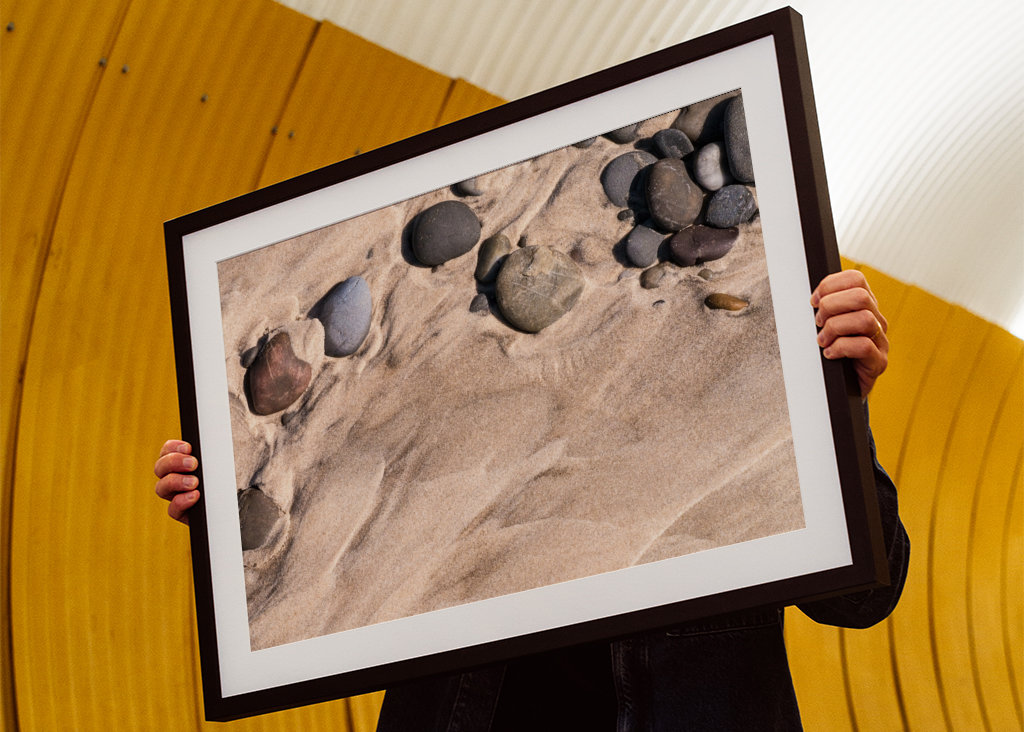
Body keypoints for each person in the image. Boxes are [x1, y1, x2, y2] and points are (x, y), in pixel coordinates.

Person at [155, 270, 909, 731]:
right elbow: (349, 493)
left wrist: (840, 406)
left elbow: (866, 595)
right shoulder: (463, 407)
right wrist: (225, 504)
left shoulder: (760, 382)